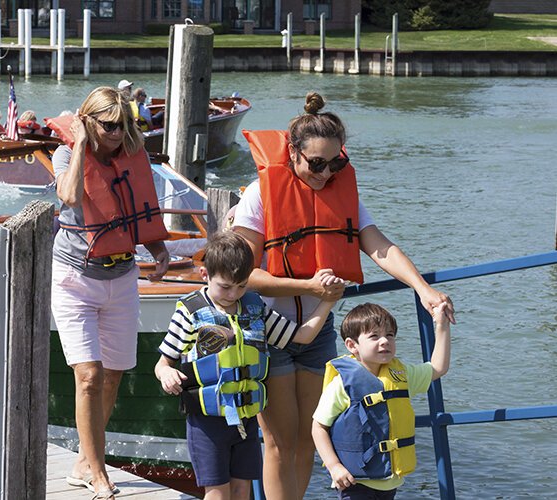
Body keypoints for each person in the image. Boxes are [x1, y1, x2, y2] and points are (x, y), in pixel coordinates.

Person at [231, 91, 456, 499]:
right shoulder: (260, 195)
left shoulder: (342, 194)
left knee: (305, 440)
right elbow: (242, 275)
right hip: (270, 330)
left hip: (318, 330)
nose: (324, 173)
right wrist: (310, 288)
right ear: (293, 154)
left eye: (335, 163)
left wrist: (423, 289)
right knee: (279, 441)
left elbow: (379, 246)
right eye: (315, 163)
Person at [47, 86, 171, 500]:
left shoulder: (131, 159)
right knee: (89, 376)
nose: (118, 133)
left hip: (121, 277)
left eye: (125, 125)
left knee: (114, 375)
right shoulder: (66, 155)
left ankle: (84, 460)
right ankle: (98, 473)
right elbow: (68, 195)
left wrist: (159, 248)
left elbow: (139, 209)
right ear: (89, 120)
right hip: (75, 279)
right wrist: (82, 142)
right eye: (109, 125)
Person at [154, 231, 341, 500]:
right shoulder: (190, 311)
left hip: (245, 420)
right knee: (217, 493)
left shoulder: (255, 308)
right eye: (225, 286)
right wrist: (167, 374)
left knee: (242, 491)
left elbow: (302, 336)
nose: (234, 294)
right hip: (207, 422)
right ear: (205, 274)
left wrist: (328, 300)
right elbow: (163, 362)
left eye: (241, 286)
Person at [312, 302, 452, 499]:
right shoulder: (342, 383)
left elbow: (438, 368)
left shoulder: (402, 375)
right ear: (352, 346)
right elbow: (318, 427)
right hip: (354, 481)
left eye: (390, 335)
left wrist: (441, 325)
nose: (385, 341)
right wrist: (334, 466)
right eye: (374, 336)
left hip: (389, 482)